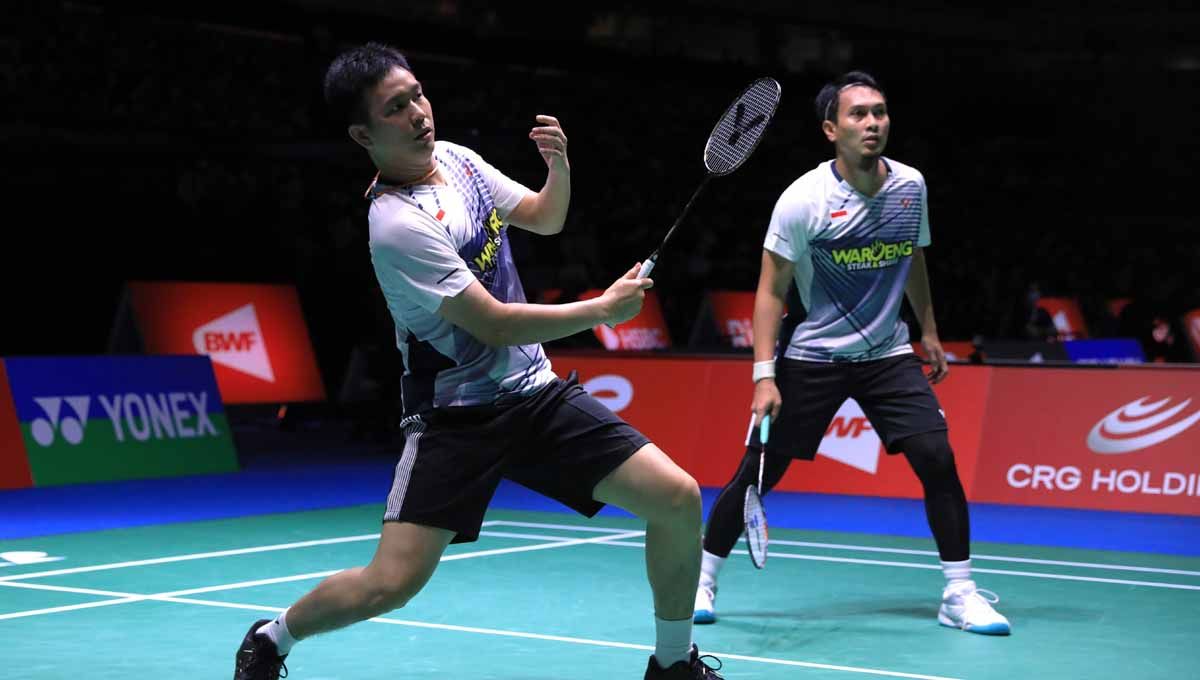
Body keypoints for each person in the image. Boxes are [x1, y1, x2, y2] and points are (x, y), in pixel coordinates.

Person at [231, 43, 723, 679]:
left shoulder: (459, 162)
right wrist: (600, 311)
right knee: (391, 584)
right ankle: (273, 638)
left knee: (678, 498)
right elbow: (491, 321)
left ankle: (673, 663)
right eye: (396, 108)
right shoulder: (396, 225)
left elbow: (546, 218)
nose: (418, 113)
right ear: (363, 133)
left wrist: (559, 168)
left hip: (535, 396)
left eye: (417, 94)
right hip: (455, 420)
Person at [692, 71, 1010, 636]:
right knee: (760, 472)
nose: (873, 123)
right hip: (813, 355)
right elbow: (771, 291)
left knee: (937, 458)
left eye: (880, 112)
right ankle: (703, 578)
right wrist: (765, 376)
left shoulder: (911, 186)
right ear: (830, 128)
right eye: (859, 114)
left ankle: (959, 593)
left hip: (887, 352)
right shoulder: (803, 200)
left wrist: (929, 330)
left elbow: (913, 257)